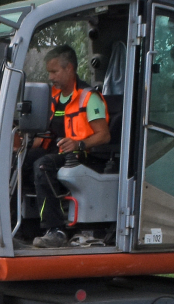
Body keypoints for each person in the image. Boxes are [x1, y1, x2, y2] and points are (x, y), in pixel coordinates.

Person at [25, 46, 112, 249]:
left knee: (42, 166)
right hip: (59, 151)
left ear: (69, 69)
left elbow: (104, 135)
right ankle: (22, 222)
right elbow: (52, 131)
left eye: (54, 71)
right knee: (20, 161)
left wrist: (79, 143)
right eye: (49, 72)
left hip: (83, 155)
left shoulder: (89, 98)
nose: (50, 77)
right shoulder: (53, 98)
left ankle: (55, 230)